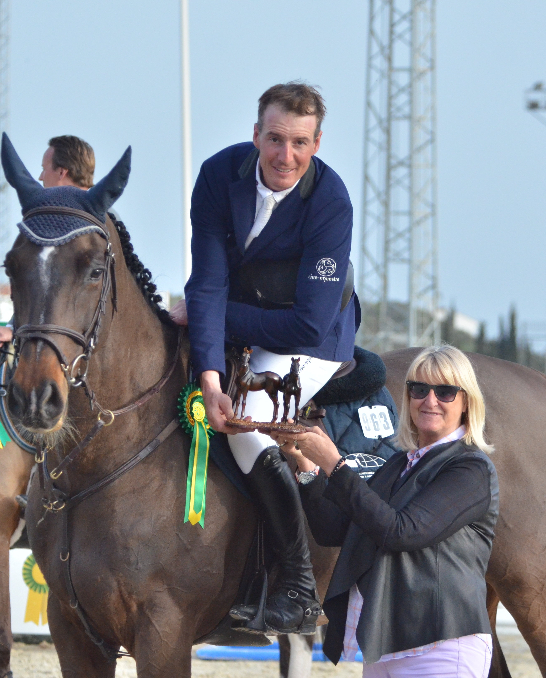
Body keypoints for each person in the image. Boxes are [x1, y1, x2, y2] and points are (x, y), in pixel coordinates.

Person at [174, 82, 358, 634]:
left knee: (248, 426)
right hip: (240, 325)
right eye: (275, 139)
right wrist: (209, 378)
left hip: (314, 341)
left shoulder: (331, 201)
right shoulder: (217, 175)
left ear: (317, 143)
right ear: (255, 134)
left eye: (300, 143)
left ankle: (299, 588)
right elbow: (205, 281)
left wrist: (213, 314)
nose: (286, 156)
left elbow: (307, 321)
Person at [272, 345, 498, 677]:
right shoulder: (398, 464)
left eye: (445, 391)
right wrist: (306, 464)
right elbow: (335, 530)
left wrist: (334, 463)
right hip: (385, 645)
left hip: (444, 646)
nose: (429, 400)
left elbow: (400, 532)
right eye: (419, 389)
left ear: (466, 402)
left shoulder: (470, 468)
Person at [0, 135, 96, 344]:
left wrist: (15, 330)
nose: (40, 176)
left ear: (61, 172)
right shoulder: (104, 219)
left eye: (44, 168)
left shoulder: (93, 226)